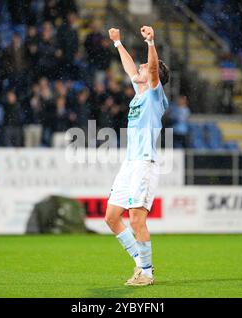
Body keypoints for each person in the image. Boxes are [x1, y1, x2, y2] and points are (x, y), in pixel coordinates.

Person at [105, 26, 170, 286]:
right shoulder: (139, 93)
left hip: (144, 162)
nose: (141, 67)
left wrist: (151, 42)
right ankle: (139, 264)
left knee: (135, 217)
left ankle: (147, 272)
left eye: (146, 67)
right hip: (129, 164)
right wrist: (118, 43)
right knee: (111, 217)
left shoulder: (154, 94)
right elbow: (132, 69)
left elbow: (151, 69)